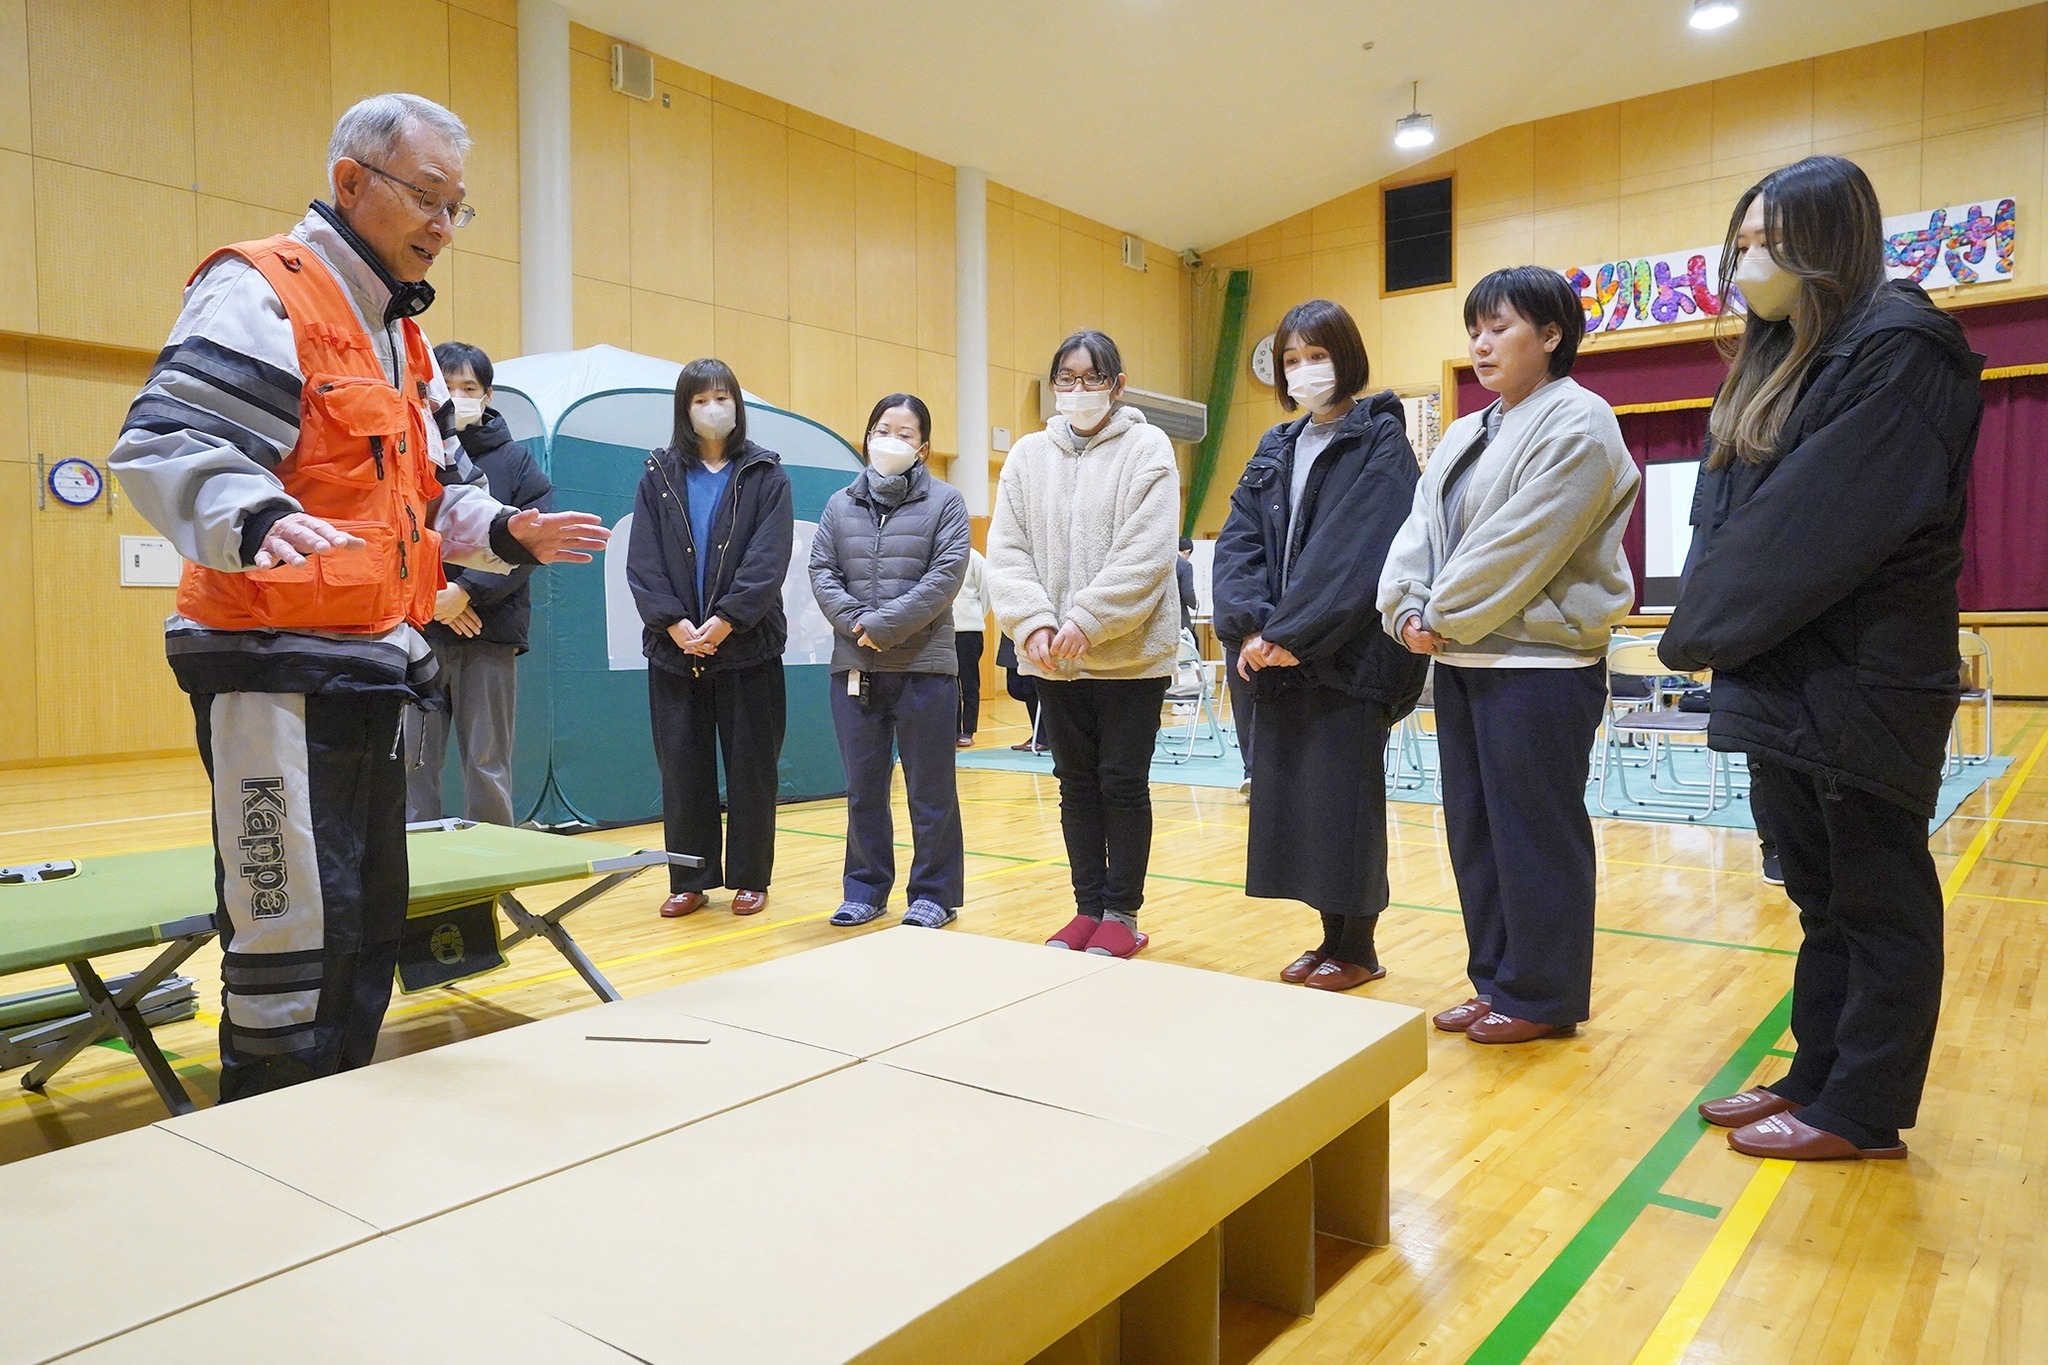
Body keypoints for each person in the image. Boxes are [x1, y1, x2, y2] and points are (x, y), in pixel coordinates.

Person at [107, 94, 610, 1101]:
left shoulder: (399, 338)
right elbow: (168, 443)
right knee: (289, 910)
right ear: (351, 183)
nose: (442, 226)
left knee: (368, 910)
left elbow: (431, 496)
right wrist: (251, 516)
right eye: (426, 197)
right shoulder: (261, 289)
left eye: (457, 207)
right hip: (267, 659)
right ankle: (269, 1125)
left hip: (371, 658)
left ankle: (337, 1114)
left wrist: (511, 532)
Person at [1662, 156, 1984, 1162]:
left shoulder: (1900, 351)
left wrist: (1692, 630)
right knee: (1818, 896)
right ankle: (1816, 1072)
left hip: (1862, 680)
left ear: (1826, 241)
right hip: (1789, 677)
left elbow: (1808, 530)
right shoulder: (1778, 362)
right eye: (1741, 238)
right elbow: (1720, 518)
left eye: (1766, 238)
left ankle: (1861, 1107)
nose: (1745, 257)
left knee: (1874, 897)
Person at [1378, 265, 1639, 1045]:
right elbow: (1418, 529)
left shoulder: (1581, 422)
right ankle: (1495, 980)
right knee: (1477, 833)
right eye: (1474, 329)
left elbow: (1518, 544)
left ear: (1551, 334)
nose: (1481, 343)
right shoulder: (1468, 429)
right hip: (1459, 661)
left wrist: (1441, 613)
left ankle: (1543, 993)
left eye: (1500, 327)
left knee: (1534, 834)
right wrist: (1404, 609)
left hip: (1540, 667)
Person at [1213, 300, 1429, 991]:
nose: (1305, 370)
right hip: (1278, 658)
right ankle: (1327, 937)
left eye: (1317, 355)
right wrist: (1250, 624)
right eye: (1292, 359)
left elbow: (1355, 555)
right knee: (1298, 799)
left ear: (1347, 358)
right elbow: (1239, 539)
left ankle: (1358, 946)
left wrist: (1287, 634)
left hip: (1348, 657)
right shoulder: (1276, 444)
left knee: (1344, 799)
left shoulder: (1381, 443)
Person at [988, 330, 1181, 958]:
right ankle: (1085, 907)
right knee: (1073, 782)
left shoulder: (1148, 447)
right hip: (1052, 658)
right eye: (1065, 379)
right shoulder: (1026, 456)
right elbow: (1007, 552)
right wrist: (1035, 622)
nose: (1077, 390)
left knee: (1122, 783)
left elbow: (1147, 555)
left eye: (1091, 378)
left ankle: (1122, 913)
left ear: (1117, 385)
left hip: (1129, 659)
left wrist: (1088, 620)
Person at [628, 359, 794, 920]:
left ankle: (751, 876)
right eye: (700, 400)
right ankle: (689, 876)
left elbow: (767, 562)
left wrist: (725, 621)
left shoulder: (767, 474)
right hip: (675, 653)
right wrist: (675, 624)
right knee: (682, 767)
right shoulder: (658, 473)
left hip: (748, 648)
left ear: (737, 404)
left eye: (721, 397)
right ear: (684, 408)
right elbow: (643, 561)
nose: (712, 408)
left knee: (751, 767)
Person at [810, 393, 971, 928]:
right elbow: (822, 570)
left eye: (905, 434)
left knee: (931, 791)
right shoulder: (839, 505)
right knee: (864, 789)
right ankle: (865, 887)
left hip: (924, 667)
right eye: (884, 429)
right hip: (855, 666)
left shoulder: (946, 502)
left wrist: (885, 625)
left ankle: (935, 893)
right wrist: (857, 621)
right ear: (866, 437)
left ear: (923, 447)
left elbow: (944, 577)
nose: (892, 441)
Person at [404, 341, 553, 827]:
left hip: (489, 633)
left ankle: (493, 866)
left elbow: (531, 541)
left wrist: (465, 590)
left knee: (487, 762)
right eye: (447, 388)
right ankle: (416, 866)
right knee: (414, 762)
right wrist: (432, 600)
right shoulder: (411, 453)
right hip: (418, 632)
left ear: (487, 396)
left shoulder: (518, 463)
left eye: (469, 388)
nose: (458, 396)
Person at [955, 545, 989, 747]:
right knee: (948, 684)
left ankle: (968, 729)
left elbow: (986, 593)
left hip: (969, 631)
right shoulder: (940, 551)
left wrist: (974, 616)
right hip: (943, 631)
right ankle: (951, 729)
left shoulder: (975, 558)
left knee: (968, 683)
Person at [997, 634, 1045, 752]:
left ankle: (1042, 737)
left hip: (1033, 634)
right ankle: (1039, 735)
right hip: (1012, 636)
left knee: (1031, 690)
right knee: (1016, 687)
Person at [1176, 536, 1198, 638]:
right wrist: (1194, 603)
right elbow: (1187, 593)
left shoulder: (1164, 561)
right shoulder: (1185, 566)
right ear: (1187, 551)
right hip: (1179, 616)